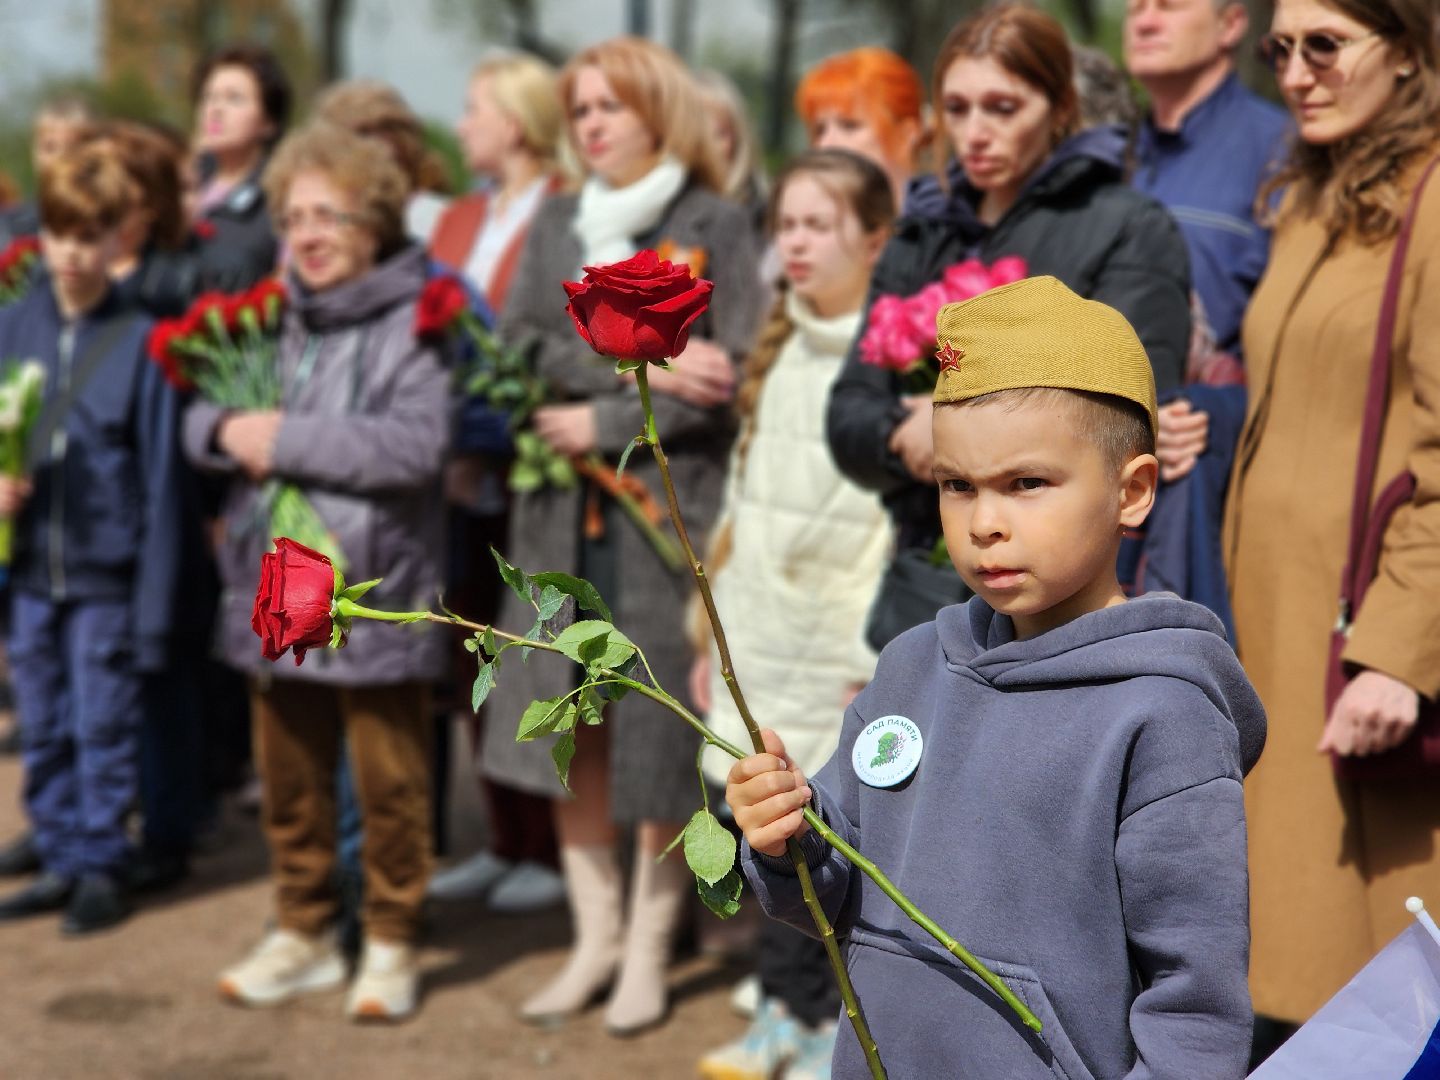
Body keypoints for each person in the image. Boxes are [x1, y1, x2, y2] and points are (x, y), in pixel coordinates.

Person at [731, 276, 1265, 1079]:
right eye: (958, 486)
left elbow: (1195, 1003)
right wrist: (785, 837)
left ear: (1132, 492)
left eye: (1027, 484)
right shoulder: (913, 668)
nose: (984, 523)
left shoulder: (1163, 711)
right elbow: (831, 896)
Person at [481, 35, 764, 1036]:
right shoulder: (560, 219)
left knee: (654, 729)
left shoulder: (714, 222)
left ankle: (648, 944)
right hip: (558, 520)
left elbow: (733, 372)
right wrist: (636, 360)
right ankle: (592, 938)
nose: (591, 124)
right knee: (569, 723)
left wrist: (604, 415)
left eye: (611, 105)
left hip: (664, 511)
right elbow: (518, 344)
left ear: (658, 110)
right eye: (581, 108)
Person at [827, 5, 1192, 653]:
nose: (975, 133)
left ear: (1058, 108)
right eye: (957, 108)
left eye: (1002, 108)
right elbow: (847, 417)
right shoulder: (923, 230)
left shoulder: (1126, 225)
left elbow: (1124, 414)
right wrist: (901, 435)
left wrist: (939, 425)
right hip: (922, 585)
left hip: (1061, 606)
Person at [186, 123, 449, 1022]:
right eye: (295, 217)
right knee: (289, 777)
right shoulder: (271, 317)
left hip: (374, 589)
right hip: (276, 583)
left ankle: (390, 937)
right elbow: (200, 416)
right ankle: (302, 931)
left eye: (328, 215)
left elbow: (416, 446)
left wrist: (284, 440)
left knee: (389, 785)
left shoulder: (414, 319)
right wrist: (224, 431)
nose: (308, 234)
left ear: (373, 223)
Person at [1221, 0, 1440, 1054]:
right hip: (1278, 630)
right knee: (1295, 983)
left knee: (1376, 983)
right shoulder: (1312, 193)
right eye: (1280, 49)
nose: (1297, 72)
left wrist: (1398, 653)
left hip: (1363, 651)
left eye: (1325, 45)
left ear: (1406, 51)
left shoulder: (1434, 197)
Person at [692, 149, 893, 1080]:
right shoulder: (780, 345)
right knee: (755, 820)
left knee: (821, 833)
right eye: (787, 226)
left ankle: (826, 1023)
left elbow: (889, 528)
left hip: (837, 642)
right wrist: (709, 631)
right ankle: (779, 1006)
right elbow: (742, 501)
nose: (797, 242)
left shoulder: (890, 363)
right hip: (760, 627)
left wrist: (871, 654)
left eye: (820, 224)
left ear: (876, 239)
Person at [0, 145, 181, 935]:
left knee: (102, 724)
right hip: (28, 572)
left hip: (108, 575)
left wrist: (154, 606)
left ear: (118, 239)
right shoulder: (11, 327)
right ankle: (62, 856)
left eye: (88, 236)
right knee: (42, 723)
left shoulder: (143, 341)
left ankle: (104, 864)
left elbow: (163, 484)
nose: (71, 253)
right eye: (58, 234)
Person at [423, 51, 569, 915]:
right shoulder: (457, 215)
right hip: (454, 467)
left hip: (531, 468)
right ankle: (502, 835)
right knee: (473, 642)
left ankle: (546, 844)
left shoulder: (562, 208)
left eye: (474, 109)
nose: (461, 125)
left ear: (514, 121)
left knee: (532, 651)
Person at [191, 44, 291, 289]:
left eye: (234, 98)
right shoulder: (182, 183)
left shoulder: (280, 195)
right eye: (209, 97)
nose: (215, 109)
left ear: (268, 122)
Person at [312, 80, 453, 245]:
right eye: (364, 133)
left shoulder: (435, 218)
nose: (381, 144)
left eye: (388, 129)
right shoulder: (312, 220)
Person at [795, 47, 926, 209]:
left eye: (849, 126)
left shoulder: (945, 217)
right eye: (820, 130)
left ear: (907, 134)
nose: (826, 144)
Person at [0, 96, 94, 247]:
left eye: (73, 148)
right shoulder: (10, 226)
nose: (60, 158)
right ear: (33, 151)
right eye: (50, 147)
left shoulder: (105, 222)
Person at [695, 69, 768, 232]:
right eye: (697, 135)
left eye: (720, 133)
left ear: (739, 141)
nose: (706, 147)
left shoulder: (759, 217)